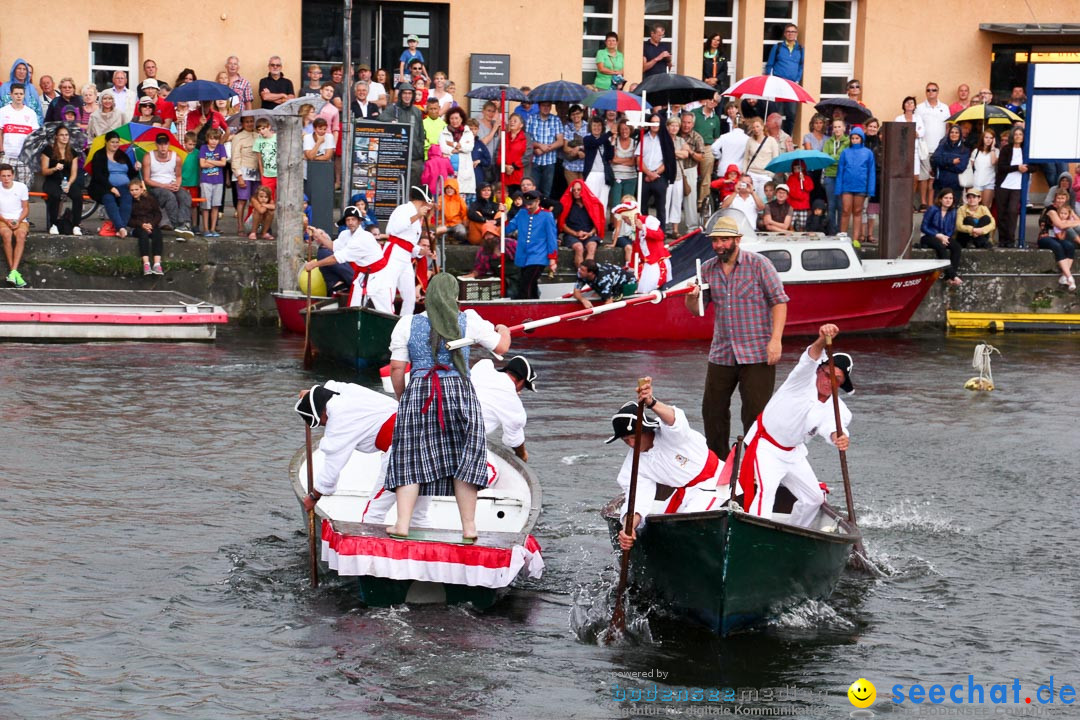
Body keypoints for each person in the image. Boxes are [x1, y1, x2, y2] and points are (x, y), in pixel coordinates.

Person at [384, 272, 511, 540]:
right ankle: (469, 528)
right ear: (455, 296)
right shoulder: (470, 320)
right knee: (465, 456)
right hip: (459, 390)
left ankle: (402, 525)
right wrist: (503, 329)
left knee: (409, 457)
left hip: (420, 389)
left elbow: (397, 367)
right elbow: (502, 347)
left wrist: (403, 397)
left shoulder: (406, 323)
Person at [685, 216, 788, 455]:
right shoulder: (707, 268)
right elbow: (698, 310)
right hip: (722, 352)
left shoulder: (759, 264)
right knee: (712, 410)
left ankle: (754, 465)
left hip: (757, 352)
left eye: (724, 240)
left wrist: (776, 340)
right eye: (715, 240)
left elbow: (779, 302)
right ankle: (719, 463)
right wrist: (691, 296)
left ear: (737, 240)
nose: (719, 245)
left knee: (755, 413)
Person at [737, 324, 852, 528]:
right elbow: (811, 356)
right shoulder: (800, 380)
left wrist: (839, 438)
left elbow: (834, 428)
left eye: (837, 379)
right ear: (819, 371)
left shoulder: (838, 408)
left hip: (793, 452)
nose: (829, 381)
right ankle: (755, 537)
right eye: (827, 374)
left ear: (841, 384)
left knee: (814, 499)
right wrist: (821, 339)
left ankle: (794, 531)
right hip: (766, 445)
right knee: (766, 493)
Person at [612, 377, 725, 550]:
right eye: (626, 440)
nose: (632, 445)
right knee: (660, 526)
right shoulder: (633, 465)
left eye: (635, 437)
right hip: (684, 493)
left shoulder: (670, 433)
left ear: (648, 429)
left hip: (717, 483)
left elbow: (676, 422)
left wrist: (651, 402)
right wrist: (628, 529)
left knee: (686, 524)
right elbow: (637, 500)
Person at [470, 355, 537, 462]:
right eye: (524, 386)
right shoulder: (512, 401)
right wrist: (523, 455)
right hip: (466, 440)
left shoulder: (482, 368)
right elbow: (513, 440)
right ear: (521, 381)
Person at [506, 189, 558, 299]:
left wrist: (552, 259)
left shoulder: (547, 216)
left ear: (538, 201)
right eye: (527, 203)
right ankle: (535, 307)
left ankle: (524, 307)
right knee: (531, 286)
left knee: (526, 284)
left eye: (531, 204)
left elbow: (551, 238)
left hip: (539, 256)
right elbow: (508, 227)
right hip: (523, 255)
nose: (528, 206)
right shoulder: (522, 213)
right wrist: (504, 214)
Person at [612, 198, 670, 294]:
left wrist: (643, 228)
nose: (625, 222)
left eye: (626, 219)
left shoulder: (649, 220)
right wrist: (630, 265)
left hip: (655, 261)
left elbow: (660, 235)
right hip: (646, 263)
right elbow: (636, 249)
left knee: (649, 289)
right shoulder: (634, 230)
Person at [142, 132, 194, 237]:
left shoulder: (176, 157)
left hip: (171, 184)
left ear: (168, 144)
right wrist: (164, 186)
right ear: (156, 144)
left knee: (185, 195)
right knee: (169, 196)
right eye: (160, 144)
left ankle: (185, 223)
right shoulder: (148, 157)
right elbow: (147, 179)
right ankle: (178, 225)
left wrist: (177, 185)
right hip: (156, 186)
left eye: (165, 144)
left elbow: (178, 176)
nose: (163, 147)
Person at [88, 130, 138, 237]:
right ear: (106, 142)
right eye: (112, 142)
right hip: (103, 186)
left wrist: (136, 168)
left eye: (117, 142)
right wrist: (111, 188)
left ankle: (121, 227)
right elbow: (98, 176)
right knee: (108, 198)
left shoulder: (122, 155)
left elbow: (131, 173)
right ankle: (120, 227)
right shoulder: (99, 155)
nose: (115, 144)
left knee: (127, 198)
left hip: (124, 186)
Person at [40, 125, 83, 235]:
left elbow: (74, 173)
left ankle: (76, 225)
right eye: (62, 135)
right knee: (55, 195)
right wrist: (54, 168)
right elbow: (44, 171)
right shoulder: (48, 150)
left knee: (78, 196)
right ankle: (54, 224)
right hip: (52, 180)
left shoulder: (72, 152)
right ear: (56, 137)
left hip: (66, 181)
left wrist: (69, 183)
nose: (64, 137)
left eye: (66, 135)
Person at [835, 127, 875, 240]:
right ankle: (843, 235)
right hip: (846, 186)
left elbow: (871, 172)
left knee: (858, 211)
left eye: (857, 138)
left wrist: (870, 190)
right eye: (852, 138)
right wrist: (838, 188)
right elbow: (840, 171)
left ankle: (856, 238)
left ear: (861, 139)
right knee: (845, 210)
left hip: (861, 186)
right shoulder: (845, 152)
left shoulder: (868, 153)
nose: (855, 140)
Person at [915, 82, 950, 211]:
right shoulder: (920, 108)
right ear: (926, 92)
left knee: (934, 177)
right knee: (923, 177)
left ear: (938, 92)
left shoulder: (945, 107)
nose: (931, 92)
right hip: (925, 146)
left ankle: (933, 203)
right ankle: (924, 202)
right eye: (928, 90)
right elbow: (917, 125)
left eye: (934, 90)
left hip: (940, 148)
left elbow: (948, 126)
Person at [765, 24, 804, 135]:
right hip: (778, 84)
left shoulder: (800, 49)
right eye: (788, 31)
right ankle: (775, 136)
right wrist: (770, 79)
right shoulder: (777, 47)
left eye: (793, 32)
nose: (790, 33)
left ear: (796, 34)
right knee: (777, 113)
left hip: (792, 85)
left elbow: (801, 66)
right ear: (785, 33)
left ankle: (787, 137)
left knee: (791, 113)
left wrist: (797, 79)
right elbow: (770, 65)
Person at [558, 178, 605, 267]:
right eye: (574, 190)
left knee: (592, 247)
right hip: (571, 234)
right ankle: (582, 274)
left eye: (579, 189)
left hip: (588, 233)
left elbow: (597, 223)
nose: (576, 192)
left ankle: (587, 273)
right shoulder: (567, 204)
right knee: (579, 248)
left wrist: (590, 233)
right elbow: (562, 225)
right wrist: (575, 233)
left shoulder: (592, 204)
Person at [920, 188, 962, 286]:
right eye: (946, 198)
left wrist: (945, 237)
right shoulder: (933, 209)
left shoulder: (953, 211)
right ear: (940, 199)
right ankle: (953, 275)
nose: (948, 200)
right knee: (941, 247)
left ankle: (948, 277)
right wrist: (938, 235)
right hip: (929, 236)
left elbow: (951, 229)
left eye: (950, 198)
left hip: (944, 237)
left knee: (957, 247)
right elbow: (923, 227)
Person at [1038, 190, 1078, 291]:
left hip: (1058, 237)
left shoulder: (1067, 209)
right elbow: (1060, 225)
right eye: (1058, 198)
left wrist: (1068, 222)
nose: (1060, 200)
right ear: (1055, 198)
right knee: (1057, 246)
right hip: (1045, 237)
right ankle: (1069, 277)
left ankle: (1064, 276)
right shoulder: (1051, 210)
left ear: (1066, 199)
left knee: (1069, 245)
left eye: (1062, 198)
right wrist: (1070, 222)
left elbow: (1078, 220)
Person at [994, 126, 1028, 249]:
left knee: (1013, 211)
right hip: (1003, 185)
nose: (1018, 136)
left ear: (1024, 137)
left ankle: (1010, 238)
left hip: (1017, 186)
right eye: (1016, 134)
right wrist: (1017, 167)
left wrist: (1026, 168)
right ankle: (1002, 239)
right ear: (1012, 136)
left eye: (1020, 134)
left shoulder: (1026, 150)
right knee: (1001, 212)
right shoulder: (1006, 149)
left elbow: (1034, 167)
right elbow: (1002, 167)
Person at [0, 84, 40, 184]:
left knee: (24, 186)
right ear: (11, 95)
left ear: (24, 95)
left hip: (24, 156)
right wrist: (1, 151)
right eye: (16, 93)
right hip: (7, 155)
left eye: (21, 94)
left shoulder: (31, 113)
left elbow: (34, 135)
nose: (19, 96)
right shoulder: (3, 111)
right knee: (5, 186)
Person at [126, 179, 166, 275]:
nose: (134, 192)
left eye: (136, 189)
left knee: (157, 234)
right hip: (137, 226)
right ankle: (146, 263)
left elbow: (158, 214)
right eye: (132, 190)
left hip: (151, 224)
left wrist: (151, 224)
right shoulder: (128, 202)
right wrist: (141, 225)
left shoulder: (150, 199)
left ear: (141, 189)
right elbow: (128, 219)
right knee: (143, 235)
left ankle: (157, 264)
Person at [0, 164, 30, 287]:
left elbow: (25, 208)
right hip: (2, 219)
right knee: (6, 235)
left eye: (8, 175)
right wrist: (6, 221)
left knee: (21, 235)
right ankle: (14, 272)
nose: (6, 178)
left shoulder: (21, 187)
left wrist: (18, 220)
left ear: (13, 175)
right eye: (3, 176)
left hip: (19, 219)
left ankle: (13, 270)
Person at [526, 102, 564, 197]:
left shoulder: (556, 120)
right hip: (534, 160)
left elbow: (560, 141)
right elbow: (527, 139)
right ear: (539, 106)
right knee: (533, 190)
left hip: (549, 162)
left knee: (547, 192)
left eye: (548, 105)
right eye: (543, 105)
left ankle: (544, 211)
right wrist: (538, 146)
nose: (546, 108)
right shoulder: (531, 118)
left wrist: (544, 149)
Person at [439, 106, 476, 201]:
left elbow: (469, 147)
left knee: (461, 199)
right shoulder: (444, 132)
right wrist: (455, 148)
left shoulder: (468, 132)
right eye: (452, 118)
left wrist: (453, 144)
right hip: (449, 171)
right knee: (448, 197)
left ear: (461, 119)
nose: (454, 121)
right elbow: (443, 148)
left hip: (464, 170)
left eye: (456, 118)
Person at [821, 119, 849, 235]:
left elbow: (844, 158)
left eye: (839, 127)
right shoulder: (828, 142)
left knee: (841, 205)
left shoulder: (848, 141)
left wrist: (833, 158)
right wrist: (835, 158)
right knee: (831, 205)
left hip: (842, 176)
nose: (837, 129)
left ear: (844, 128)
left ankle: (840, 231)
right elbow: (825, 158)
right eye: (835, 127)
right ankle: (832, 231)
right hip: (829, 175)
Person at [572, 258, 636, 308]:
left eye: (582, 270)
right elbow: (576, 292)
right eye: (580, 268)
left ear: (590, 273)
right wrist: (583, 300)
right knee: (596, 295)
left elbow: (609, 302)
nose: (579, 271)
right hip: (610, 281)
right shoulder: (581, 274)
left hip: (628, 284)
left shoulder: (603, 280)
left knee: (608, 297)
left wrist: (591, 315)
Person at [198, 129, 227, 236]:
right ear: (208, 139)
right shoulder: (203, 148)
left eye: (216, 139)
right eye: (211, 139)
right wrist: (217, 163)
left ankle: (213, 228)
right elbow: (202, 164)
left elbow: (223, 163)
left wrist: (209, 161)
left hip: (218, 180)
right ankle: (205, 228)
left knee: (216, 205)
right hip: (206, 180)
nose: (214, 141)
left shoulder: (221, 148)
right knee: (205, 206)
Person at [743, 117, 779, 202]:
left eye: (757, 126)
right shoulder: (750, 140)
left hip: (765, 175)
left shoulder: (771, 141)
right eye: (754, 127)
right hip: (752, 173)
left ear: (763, 127)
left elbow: (775, 159)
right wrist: (745, 173)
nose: (756, 129)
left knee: (763, 200)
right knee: (751, 199)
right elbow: (746, 158)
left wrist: (770, 174)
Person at [582, 115, 614, 209]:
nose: (597, 128)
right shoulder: (587, 139)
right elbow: (596, 142)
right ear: (590, 127)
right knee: (591, 201)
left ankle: (601, 223)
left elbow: (610, 156)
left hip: (604, 174)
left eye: (599, 125)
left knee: (603, 202)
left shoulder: (605, 140)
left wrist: (612, 142)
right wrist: (609, 133)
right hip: (591, 173)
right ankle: (591, 223)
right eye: (594, 125)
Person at [931, 124, 971, 194]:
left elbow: (960, 168)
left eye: (956, 132)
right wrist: (951, 161)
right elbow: (935, 159)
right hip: (940, 184)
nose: (954, 134)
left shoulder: (964, 150)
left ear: (960, 134)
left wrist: (942, 165)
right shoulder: (942, 146)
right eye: (952, 132)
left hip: (955, 186)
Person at [610, 121, 638, 211]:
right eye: (621, 129)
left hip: (631, 177)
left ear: (630, 130)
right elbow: (613, 159)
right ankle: (615, 225)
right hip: (616, 177)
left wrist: (619, 160)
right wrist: (628, 160)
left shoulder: (635, 143)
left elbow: (633, 162)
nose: (624, 131)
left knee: (628, 205)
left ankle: (626, 225)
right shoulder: (615, 141)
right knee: (616, 204)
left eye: (626, 128)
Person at [501, 113, 528, 197]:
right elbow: (498, 154)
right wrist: (504, 165)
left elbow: (527, 156)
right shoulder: (504, 137)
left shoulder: (526, 138)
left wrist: (513, 166)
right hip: (505, 173)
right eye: (510, 121)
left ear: (521, 125)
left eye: (515, 121)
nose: (512, 122)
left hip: (520, 174)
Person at [562, 104, 588, 186]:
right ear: (570, 116)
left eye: (577, 113)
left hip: (584, 166)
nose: (575, 116)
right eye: (573, 114)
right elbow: (565, 147)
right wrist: (577, 152)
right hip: (570, 166)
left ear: (582, 114)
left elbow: (591, 145)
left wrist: (579, 148)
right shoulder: (567, 127)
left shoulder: (588, 127)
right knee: (573, 191)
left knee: (583, 192)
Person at [786, 160, 813, 231]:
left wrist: (803, 180)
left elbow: (810, 188)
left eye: (798, 168)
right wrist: (799, 196)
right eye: (794, 169)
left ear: (803, 169)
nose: (796, 170)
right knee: (790, 223)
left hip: (803, 206)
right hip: (793, 205)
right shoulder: (791, 178)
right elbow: (790, 190)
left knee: (802, 224)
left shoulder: (807, 178)